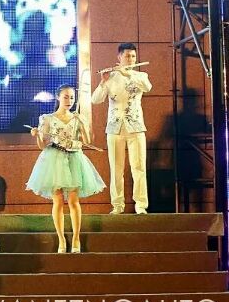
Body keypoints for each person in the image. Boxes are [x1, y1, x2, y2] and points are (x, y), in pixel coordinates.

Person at [26, 84, 106, 253]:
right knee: (57, 200)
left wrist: (82, 123)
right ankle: (61, 240)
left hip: (74, 158)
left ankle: (76, 238)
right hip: (54, 159)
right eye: (65, 97)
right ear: (58, 97)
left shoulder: (77, 118)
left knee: (74, 200)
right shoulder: (47, 118)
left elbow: (87, 141)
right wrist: (37, 135)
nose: (69, 100)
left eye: (71, 97)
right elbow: (42, 145)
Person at [92, 42, 152, 214]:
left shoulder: (141, 76)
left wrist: (128, 74)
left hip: (136, 127)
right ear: (119, 57)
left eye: (133, 56)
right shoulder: (110, 77)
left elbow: (148, 87)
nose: (131, 59)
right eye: (127, 56)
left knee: (139, 168)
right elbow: (95, 100)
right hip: (115, 128)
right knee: (116, 169)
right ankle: (117, 205)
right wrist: (103, 82)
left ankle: (140, 205)